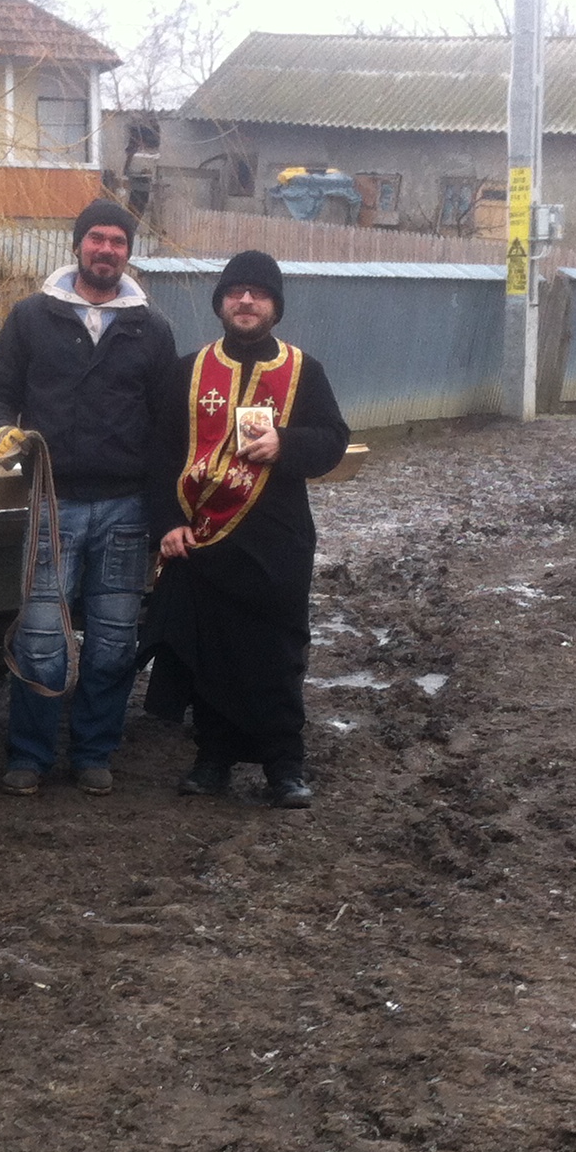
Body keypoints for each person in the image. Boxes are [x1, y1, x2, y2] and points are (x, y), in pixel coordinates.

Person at [0, 199, 180, 795]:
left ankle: (94, 752)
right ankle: (29, 756)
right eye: (97, 238)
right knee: (41, 636)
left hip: (126, 509)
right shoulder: (32, 317)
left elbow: (168, 424)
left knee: (113, 641)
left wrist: (166, 511)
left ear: (128, 253)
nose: (106, 249)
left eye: (118, 241)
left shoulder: (150, 328)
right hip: (53, 503)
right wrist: (0, 432)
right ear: (78, 245)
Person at [145, 249, 350, 809]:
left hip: (278, 541)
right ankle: (212, 760)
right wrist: (167, 522)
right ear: (221, 303)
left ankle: (285, 767)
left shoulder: (304, 370)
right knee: (210, 655)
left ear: (275, 307)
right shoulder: (187, 371)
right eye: (236, 291)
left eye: (258, 293)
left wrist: (287, 442)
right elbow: (159, 455)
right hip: (205, 538)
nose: (246, 301)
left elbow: (332, 440)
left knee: (277, 655)